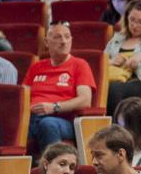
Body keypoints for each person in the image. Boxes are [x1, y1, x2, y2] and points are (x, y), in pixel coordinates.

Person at [22, 22, 94, 153]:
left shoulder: (80, 65)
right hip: (32, 118)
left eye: (67, 37)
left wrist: (54, 107)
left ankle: (54, 167)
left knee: (47, 124)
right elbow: (21, 97)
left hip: (63, 120)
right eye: (58, 37)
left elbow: (85, 100)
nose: (64, 41)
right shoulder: (36, 67)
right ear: (46, 42)